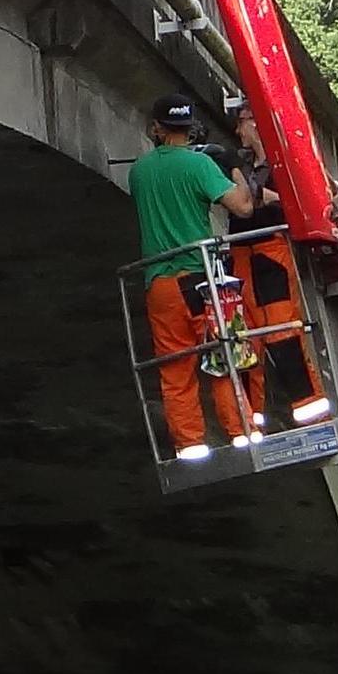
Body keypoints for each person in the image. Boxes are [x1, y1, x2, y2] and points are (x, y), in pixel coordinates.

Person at [131, 94, 258, 460]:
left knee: (175, 370)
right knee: (223, 355)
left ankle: (189, 446)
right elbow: (243, 207)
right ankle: (241, 432)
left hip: (159, 283)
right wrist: (234, 168)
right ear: (189, 128)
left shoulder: (139, 171)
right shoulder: (199, 164)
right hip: (200, 280)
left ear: (156, 128)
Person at [224, 106, 331, 427]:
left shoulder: (282, 167)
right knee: (245, 342)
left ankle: (313, 415)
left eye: (241, 124)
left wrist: (261, 195)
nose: (238, 132)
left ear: (256, 124)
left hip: (271, 255)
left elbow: (300, 204)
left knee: (283, 335)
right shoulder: (249, 168)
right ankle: (249, 422)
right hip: (242, 256)